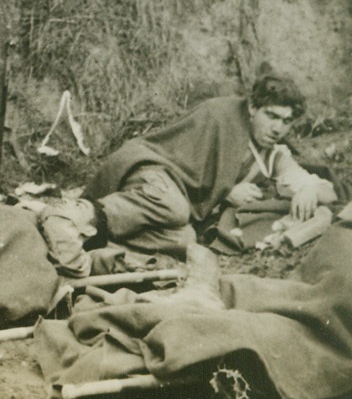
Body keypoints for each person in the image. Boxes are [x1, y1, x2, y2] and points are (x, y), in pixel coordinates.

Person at [40, 73, 338, 276]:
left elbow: (328, 191)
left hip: (176, 203)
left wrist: (309, 190)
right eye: (271, 116)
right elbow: (178, 154)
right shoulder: (221, 115)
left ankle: (87, 243)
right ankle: (71, 216)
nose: (278, 128)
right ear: (252, 108)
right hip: (152, 170)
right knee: (174, 206)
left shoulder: (275, 156)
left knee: (186, 239)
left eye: (286, 122)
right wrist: (225, 192)